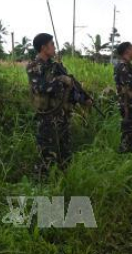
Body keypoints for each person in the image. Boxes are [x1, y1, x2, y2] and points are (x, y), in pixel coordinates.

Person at [26, 33, 90, 174]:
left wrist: (83, 98)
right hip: (48, 117)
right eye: (52, 44)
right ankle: (42, 184)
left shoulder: (56, 66)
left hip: (63, 115)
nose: (54, 47)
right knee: (47, 154)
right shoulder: (34, 66)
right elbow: (41, 87)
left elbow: (70, 87)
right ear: (44, 47)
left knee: (65, 152)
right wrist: (60, 79)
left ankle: (63, 180)